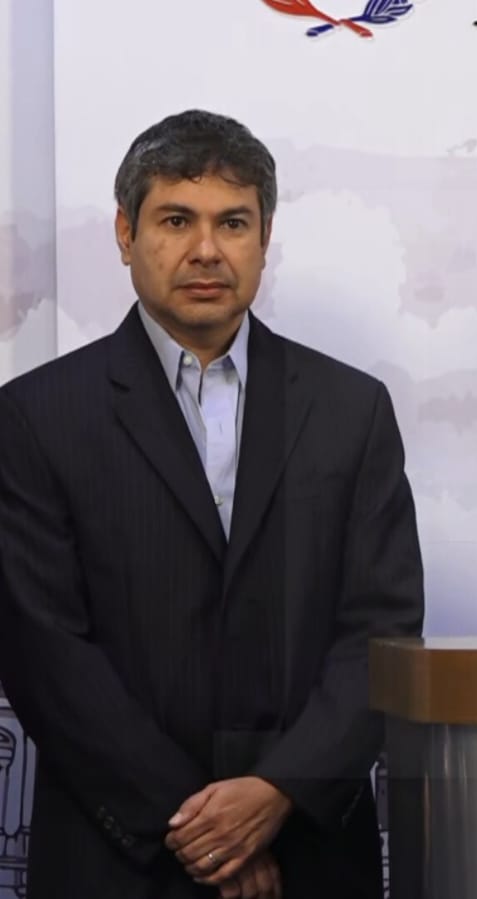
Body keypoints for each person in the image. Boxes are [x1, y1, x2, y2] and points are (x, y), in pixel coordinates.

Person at [0, 109, 424, 898]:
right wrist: (198, 826)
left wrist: (277, 795)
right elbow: (44, 650)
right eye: (175, 220)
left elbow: (382, 629)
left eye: (233, 222)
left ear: (265, 239)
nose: (205, 249)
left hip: (311, 854)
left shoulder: (350, 409)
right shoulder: (35, 417)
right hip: (119, 858)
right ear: (125, 235)